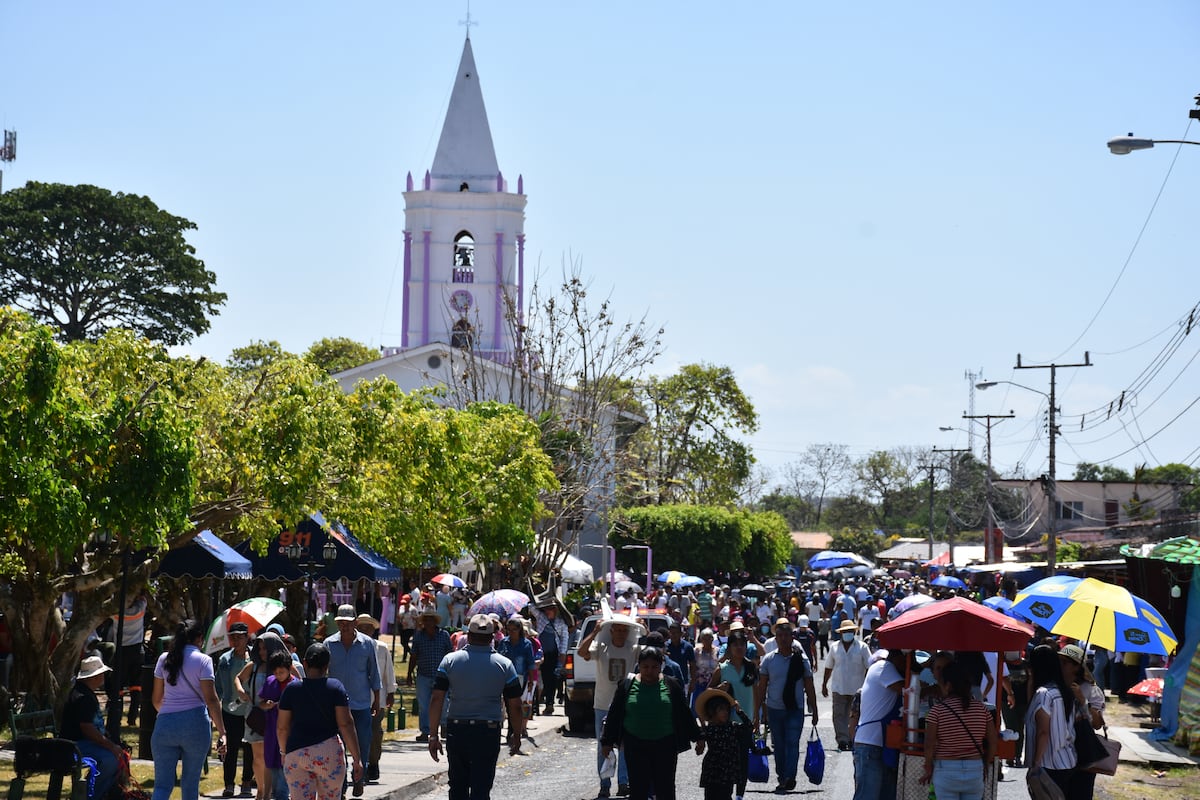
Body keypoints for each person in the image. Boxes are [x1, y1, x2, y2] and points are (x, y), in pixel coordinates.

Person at [427, 614, 524, 800]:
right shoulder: (505, 665)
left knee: (457, 785)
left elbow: (436, 698)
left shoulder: (449, 661)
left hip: (458, 730)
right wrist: (517, 734)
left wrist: (433, 735)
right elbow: (516, 705)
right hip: (487, 732)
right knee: (481, 787)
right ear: (491, 638)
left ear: (468, 636)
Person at [600, 647, 699, 800]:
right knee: (638, 789)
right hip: (635, 745)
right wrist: (606, 742)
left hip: (665, 745)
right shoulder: (626, 685)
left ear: (661, 667)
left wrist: (698, 737)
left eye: (654, 667)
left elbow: (684, 713)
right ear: (639, 666)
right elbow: (615, 714)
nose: (649, 671)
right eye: (645, 667)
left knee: (665, 789)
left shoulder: (672, 685)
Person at [151, 619, 228, 800]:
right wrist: (222, 731)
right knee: (190, 784)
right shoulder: (204, 661)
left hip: (165, 724)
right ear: (199, 639)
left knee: (162, 785)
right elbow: (211, 699)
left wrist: (170, 715)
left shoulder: (164, 659)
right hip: (195, 725)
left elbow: (156, 699)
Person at [277, 642, 364, 800]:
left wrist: (284, 752)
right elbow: (346, 724)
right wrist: (357, 759)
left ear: (304, 663)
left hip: (296, 753)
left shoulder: (291, 690)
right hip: (328, 752)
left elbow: (282, 728)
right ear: (327, 665)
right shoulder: (335, 688)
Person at [578, 615, 644, 798]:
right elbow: (581, 652)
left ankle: (623, 783)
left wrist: (643, 632)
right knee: (603, 746)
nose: (621, 633)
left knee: (625, 746)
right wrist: (595, 631)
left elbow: (653, 656)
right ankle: (604, 784)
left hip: (626, 706)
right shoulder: (601, 648)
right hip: (603, 705)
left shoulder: (634, 649)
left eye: (625, 630)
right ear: (611, 630)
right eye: (618, 629)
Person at [755, 618, 818, 793]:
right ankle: (782, 777)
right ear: (775, 639)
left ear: (792, 637)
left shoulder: (800, 659)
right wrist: (757, 712)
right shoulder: (768, 660)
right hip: (775, 709)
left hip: (795, 709)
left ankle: (790, 776)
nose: (783, 638)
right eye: (780, 635)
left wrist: (814, 710)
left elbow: (809, 684)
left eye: (786, 635)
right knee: (780, 746)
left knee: (792, 743)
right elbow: (762, 687)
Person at [324, 604, 381, 796]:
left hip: (361, 703)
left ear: (355, 623)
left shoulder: (367, 644)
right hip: (335, 705)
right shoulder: (329, 644)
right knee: (338, 746)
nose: (344, 627)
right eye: (341, 623)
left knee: (363, 743)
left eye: (348, 623)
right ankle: (341, 785)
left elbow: (374, 673)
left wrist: (377, 699)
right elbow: (323, 673)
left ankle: (359, 778)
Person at [920, 660, 997, 800]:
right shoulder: (982, 709)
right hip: (975, 769)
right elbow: (993, 741)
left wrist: (928, 766)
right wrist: (985, 763)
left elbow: (929, 744)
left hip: (946, 770)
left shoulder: (937, 711)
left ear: (948, 685)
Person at [62, 655, 125, 800]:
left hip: (81, 743)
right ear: (94, 677)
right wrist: (110, 746)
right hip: (75, 745)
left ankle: (103, 793)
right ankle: (91, 795)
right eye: (101, 674)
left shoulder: (85, 693)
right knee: (110, 759)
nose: (103, 676)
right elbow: (87, 729)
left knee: (118, 755)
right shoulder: (83, 697)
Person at [236, 632, 290, 800]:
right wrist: (241, 692)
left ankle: (276, 791)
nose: (261, 652)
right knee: (260, 757)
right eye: (259, 649)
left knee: (278, 756)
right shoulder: (254, 665)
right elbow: (238, 678)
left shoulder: (285, 665)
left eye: (265, 649)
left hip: (279, 719)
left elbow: (297, 681)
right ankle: (261, 791)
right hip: (257, 717)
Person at [709, 623, 756, 800]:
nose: (739, 648)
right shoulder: (722, 669)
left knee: (743, 759)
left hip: (746, 720)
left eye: (742, 645)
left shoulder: (751, 667)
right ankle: (726, 794)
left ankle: (740, 795)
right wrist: (720, 688)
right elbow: (708, 693)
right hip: (726, 722)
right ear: (729, 647)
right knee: (728, 761)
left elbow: (757, 693)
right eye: (735, 645)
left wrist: (759, 717)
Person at [852, 647, 906, 800]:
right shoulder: (884, 667)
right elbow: (908, 690)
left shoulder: (889, 670)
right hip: (871, 744)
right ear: (898, 658)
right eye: (905, 661)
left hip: (883, 745)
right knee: (867, 795)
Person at [1024, 644, 1076, 797]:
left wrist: (1036, 764)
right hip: (1067, 760)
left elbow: (1043, 732)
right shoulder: (1064, 691)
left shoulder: (1044, 694)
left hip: (1047, 765)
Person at [216, 621, 256, 798]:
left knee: (250, 748)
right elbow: (219, 687)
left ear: (247, 637)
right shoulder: (225, 659)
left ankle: (246, 781)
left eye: (240, 637)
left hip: (250, 711)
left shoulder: (254, 658)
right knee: (230, 749)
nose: (236, 641)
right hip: (230, 710)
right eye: (233, 637)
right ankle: (229, 784)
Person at [1060, 644, 1105, 800]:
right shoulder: (1055, 687)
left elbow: (1097, 724)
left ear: (1076, 667)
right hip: (1059, 752)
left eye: (1065, 662)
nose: (1060, 665)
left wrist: (1082, 701)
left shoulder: (1091, 690)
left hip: (1082, 750)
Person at [354, 614, 395, 782]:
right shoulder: (353, 647)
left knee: (374, 733)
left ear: (373, 630)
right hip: (357, 699)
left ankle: (373, 763)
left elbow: (388, 672)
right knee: (357, 735)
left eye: (368, 628)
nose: (364, 630)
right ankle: (358, 766)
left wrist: (391, 692)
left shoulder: (381, 647)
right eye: (361, 627)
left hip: (377, 700)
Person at [694, 683, 753, 800]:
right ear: (712, 712)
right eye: (721, 709)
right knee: (710, 796)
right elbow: (699, 742)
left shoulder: (732, 727)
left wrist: (739, 711)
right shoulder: (709, 729)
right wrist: (699, 745)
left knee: (726, 795)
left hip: (728, 769)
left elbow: (748, 727)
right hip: (713, 768)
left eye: (726, 709)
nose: (725, 712)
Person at [823, 619, 872, 751]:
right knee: (838, 715)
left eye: (850, 631)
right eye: (845, 631)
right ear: (841, 633)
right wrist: (824, 684)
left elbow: (870, 666)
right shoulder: (834, 647)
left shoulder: (862, 647)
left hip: (857, 688)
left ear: (854, 632)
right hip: (838, 687)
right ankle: (842, 740)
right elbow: (828, 666)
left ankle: (852, 739)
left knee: (854, 715)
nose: (847, 633)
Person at [407, 608, 452, 742]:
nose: (428, 622)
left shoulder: (443, 635)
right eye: (426, 620)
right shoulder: (419, 636)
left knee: (444, 702)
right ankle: (425, 731)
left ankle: (444, 725)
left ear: (435, 622)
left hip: (442, 675)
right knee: (424, 704)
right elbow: (414, 656)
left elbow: (450, 655)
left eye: (431, 620)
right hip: (424, 674)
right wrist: (409, 674)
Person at [260, 651, 297, 800]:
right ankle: (268, 794)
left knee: (286, 763)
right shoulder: (270, 681)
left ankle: (281, 794)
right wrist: (266, 704)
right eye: (275, 672)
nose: (278, 675)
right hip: (271, 730)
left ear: (289, 669)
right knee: (270, 762)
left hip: (290, 730)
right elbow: (261, 703)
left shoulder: (295, 685)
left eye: (281, 672)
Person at [533, 600, 569, 715]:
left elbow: (564, 639)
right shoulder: (541, 617)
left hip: (553, 654)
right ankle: (536, 704)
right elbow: (531, 606)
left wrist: (562, 655)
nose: (547, 611)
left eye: (550, 609)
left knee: (551, 680)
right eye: (546, 609)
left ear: (555, 610)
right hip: (540, 653)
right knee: (539, 679)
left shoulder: (561, 623)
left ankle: (549, 704)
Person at [691, 629, 719, 713]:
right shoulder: (696, 651)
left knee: (712, 706)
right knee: (699, 705)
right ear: (701, 639)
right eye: (704, 638)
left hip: (713, 682)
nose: (707, 641)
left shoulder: (718, 651)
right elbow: (693, 666)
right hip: (700, 682)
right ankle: (701, 724)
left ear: (712, 639)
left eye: (709, 638)